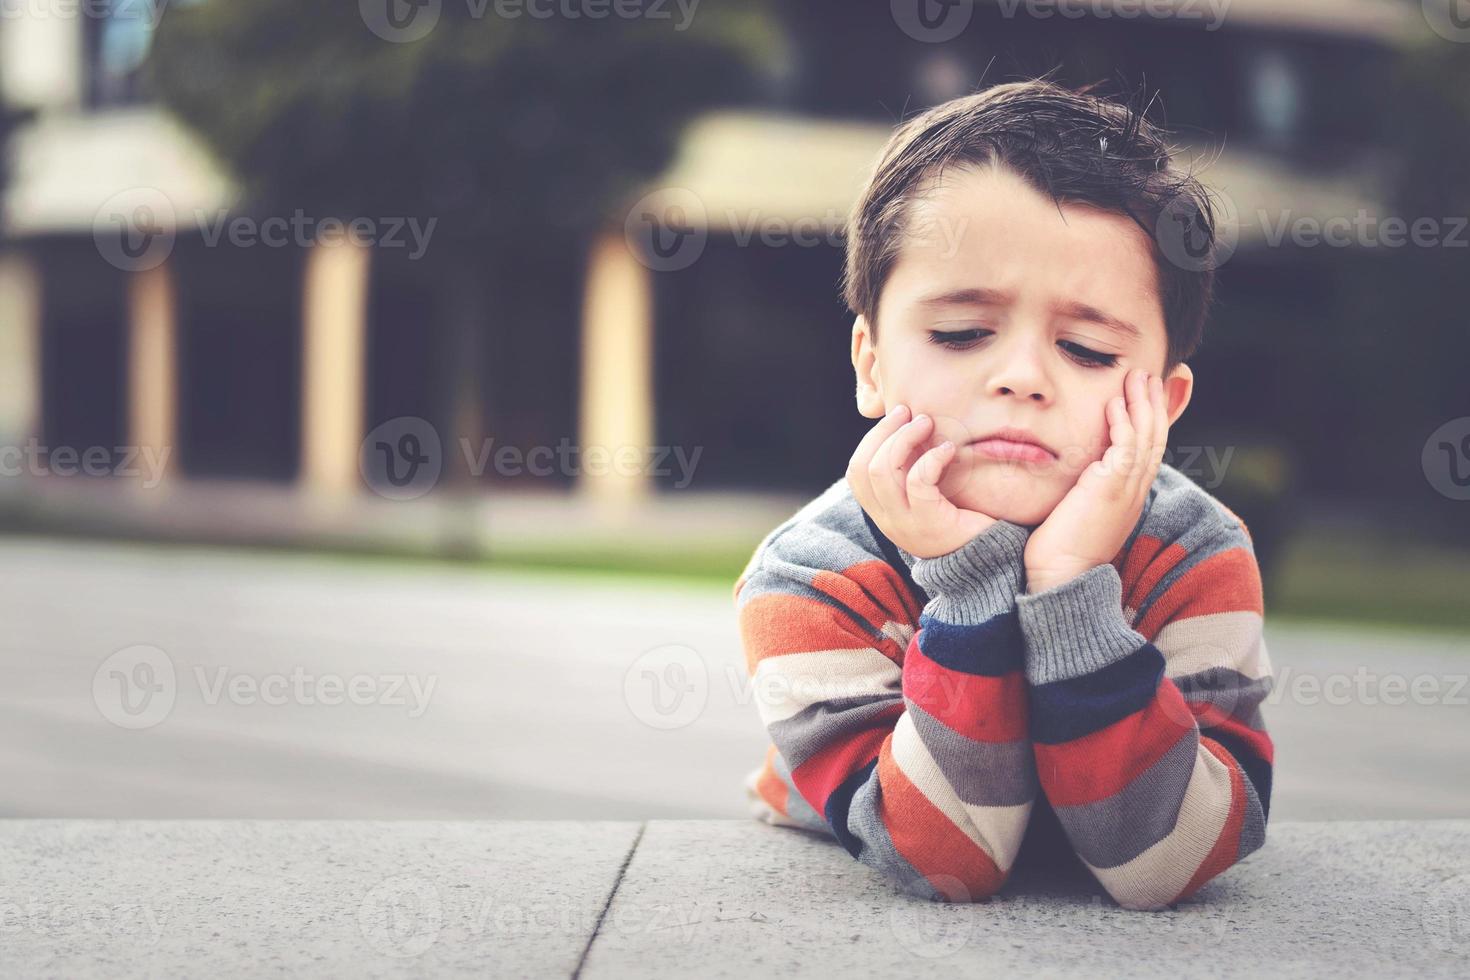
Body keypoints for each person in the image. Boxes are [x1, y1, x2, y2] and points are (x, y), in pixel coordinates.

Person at [733, 78, 1275, 911]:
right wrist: (974, 579)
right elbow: (945, 862)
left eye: (1088, 349)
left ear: (1163, 407)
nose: (1022, 377)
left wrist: (1069, 587)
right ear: (871, 363)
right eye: (961, 333)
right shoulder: (809, 580)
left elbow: (1167, 863)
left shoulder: (1194, 555)